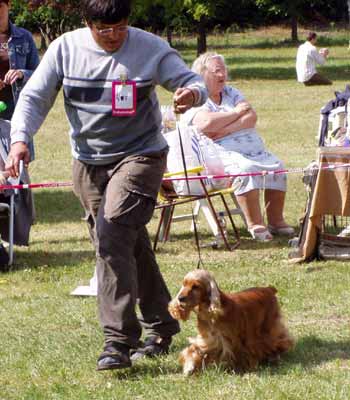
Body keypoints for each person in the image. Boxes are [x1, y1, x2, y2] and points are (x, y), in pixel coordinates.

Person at [5, 0, 207, 371]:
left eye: (120, 27)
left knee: (112, 231)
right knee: (122, 241)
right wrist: (19, 139)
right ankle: (162, 322)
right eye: (104, 29)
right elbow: (34, 96)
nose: (114, 36)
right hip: (88, 161)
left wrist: (191, 94)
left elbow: (191, 80)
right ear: (87, 23)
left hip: (141, 155)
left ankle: (118, 341)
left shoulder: (149, 47)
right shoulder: (66, 49)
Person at [182, 52, 293, 242]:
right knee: (246, 170)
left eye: (223, 70)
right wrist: (236, 113)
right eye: (217, 71)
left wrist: (226, 129)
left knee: (278, 165)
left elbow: (251, 116)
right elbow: (206, 123)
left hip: (249, 148)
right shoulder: (196, 97)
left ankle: (276, 220)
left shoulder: (231, 92)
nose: (222, 75)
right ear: (202, 74)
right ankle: (255, 223)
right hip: (217, 155)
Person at [0, 0, 39, 269]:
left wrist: (22, 73)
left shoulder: (24, 37)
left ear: (7, 7)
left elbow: (42, 75)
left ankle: (17, 234)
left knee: (16, 175)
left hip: (16, 118)